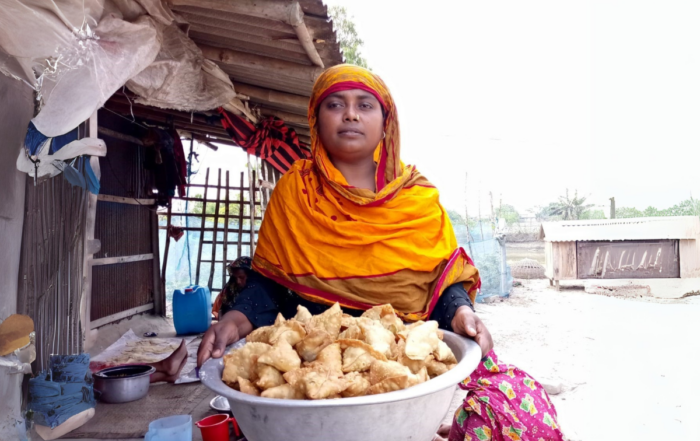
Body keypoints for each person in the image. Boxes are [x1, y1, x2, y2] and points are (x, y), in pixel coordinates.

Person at [197, 65, 564, 441]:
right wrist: (235, 320)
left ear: (386, 121)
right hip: (310, 380)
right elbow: (272, 285)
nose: (351, 114)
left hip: (400, 376)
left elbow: (440, 284)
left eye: (365, 105)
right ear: (316, 119)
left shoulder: (417, 199)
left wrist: (462, 313)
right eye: (335, 104)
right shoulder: (295, 192)